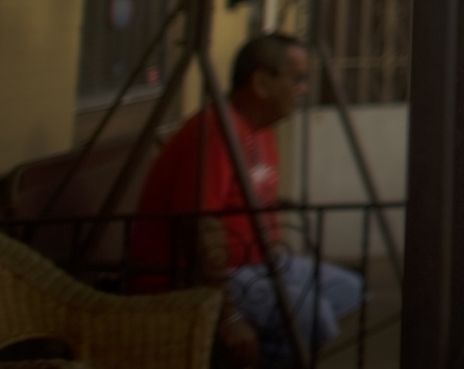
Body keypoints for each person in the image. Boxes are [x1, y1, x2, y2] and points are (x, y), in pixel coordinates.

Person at [130, 33, 363, 368]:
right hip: (193, 278)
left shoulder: (261, 130)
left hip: (258, 265)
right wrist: (230, 315)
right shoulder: (217, 131)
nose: (303, 89)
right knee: (312, 317)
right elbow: (199, 226)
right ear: (262, 83)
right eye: (296, 79)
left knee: (349, 289)